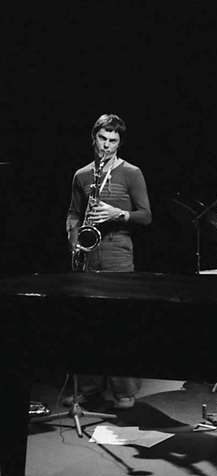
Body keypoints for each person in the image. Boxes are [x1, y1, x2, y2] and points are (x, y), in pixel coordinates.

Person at [64, 113, 152, 409]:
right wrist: (74, 239)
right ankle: (89, 387)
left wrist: (118, 213)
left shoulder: (132, 173)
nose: (107, 146)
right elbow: (74, 213)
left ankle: (124, 390)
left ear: (119, 142)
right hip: (90, 254)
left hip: (117, 251)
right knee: (88, 323)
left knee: (119, 324)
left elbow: (146, 215)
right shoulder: (82, 175)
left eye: (113, 141)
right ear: (94, 138)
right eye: (102, 139)